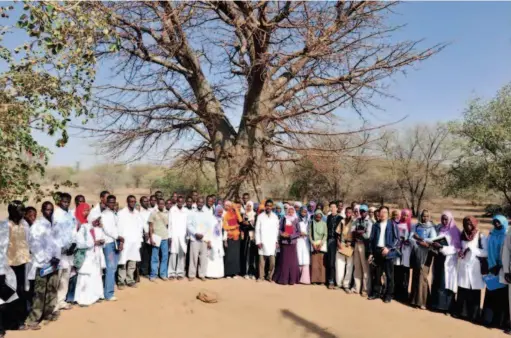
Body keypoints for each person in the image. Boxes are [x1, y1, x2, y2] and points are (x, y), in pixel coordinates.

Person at [24, 202, 61, 330]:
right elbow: (34, 246)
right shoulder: (37, 226)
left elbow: (57, 243)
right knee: (40, 292)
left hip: (54, 263)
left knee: (52, 289)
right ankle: (33, 319)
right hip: (42, 264)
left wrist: (57, 257)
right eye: (46, 210)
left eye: (51, 210)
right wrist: (48, 259)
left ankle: (48, 313)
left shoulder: (54, 224)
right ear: (42, 210)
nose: (49, 212)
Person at [1, 201, 30, 330]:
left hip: (22, 264)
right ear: (12, 211)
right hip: (9, 266)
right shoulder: (4, 226)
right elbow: (1, 249)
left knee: (21, 292)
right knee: (10, 294)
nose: (23, 213)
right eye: (20, 210)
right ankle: (12, 323)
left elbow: (28, 242)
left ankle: (20, 319)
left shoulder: (24, 224)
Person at [455, 216, 487, 323]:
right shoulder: (461, 234)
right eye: (466, 224)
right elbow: (458, 247)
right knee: (463, 290)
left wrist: (472, 249)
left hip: (475, 267)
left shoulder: (480, 235)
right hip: (464, 266)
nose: (468, 226)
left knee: (474, 291)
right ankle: (461, 313)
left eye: (470, 224)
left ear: (474, 224)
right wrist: (459, 252)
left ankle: (474, 315)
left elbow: (485, 252)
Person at [429, 211, 461, 314]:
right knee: (437, 280)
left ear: (450, 219)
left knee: (446, 282)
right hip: (438, 258)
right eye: (442, 219)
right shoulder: (439, 229)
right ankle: (436, 304)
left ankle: (447, 307)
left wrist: (442, 247)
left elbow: (457, 248)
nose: (444, 221)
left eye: (446, 219)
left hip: (449, 260)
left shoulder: (455, 231)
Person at [481, 215, 509, 329]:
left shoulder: (507, 235)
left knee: (501, 296)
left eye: (499, 222)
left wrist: (500, 266)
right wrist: (491, 265)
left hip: (503, 269)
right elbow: (488, 249)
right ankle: (488, 319)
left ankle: (499, 322)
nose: (497, 224)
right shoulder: (491, 234)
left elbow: (507, 252)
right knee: (491, 293)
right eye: (495, 222)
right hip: (491, 268)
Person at [74, 204, 105, 306]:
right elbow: (80, 243)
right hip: (86, 256)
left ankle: (95, 296)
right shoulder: (84, 228)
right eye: (96, 219)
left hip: (95, 256)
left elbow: (101, 240)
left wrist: (101, 242)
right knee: (85, 277)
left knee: (95, 276)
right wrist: (93, 243)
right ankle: (82, 299)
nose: (97, 221)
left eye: (98, 220)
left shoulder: (97, 229)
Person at [367, 206, 399, 303]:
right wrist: (371, 253)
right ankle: (376, 293)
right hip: (377, 251)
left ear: (388, 214)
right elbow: (371, 240)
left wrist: (389, 248)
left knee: (389, 275)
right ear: (379, 214)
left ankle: (388, 295)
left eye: (385, 212)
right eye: (381, 212)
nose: (383, 214)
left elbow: (397, 239)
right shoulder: (375, 225)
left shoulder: (392, 224)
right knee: (377, 274)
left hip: (387, 252)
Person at [53, 193, 77, 311]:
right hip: (59, 251)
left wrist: (73, 244)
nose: (66, 204)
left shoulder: (70, 214)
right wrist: (60, 247)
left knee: (66, 276)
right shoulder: (56, 214)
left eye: (68, 202)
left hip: (69, 250)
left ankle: (61, 300)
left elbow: (73, 229)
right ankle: (53, 303)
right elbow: (54, 233)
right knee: (57, 276)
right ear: (59, 202)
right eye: (64, 201)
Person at [409, 209, 437, 309]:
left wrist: (422, 240)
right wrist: (417, 242)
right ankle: (414, 300)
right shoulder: (416, 226)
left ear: (429, 217)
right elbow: (410, 237)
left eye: (427, 216)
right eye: (423, 216)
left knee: (423, 276)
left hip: (426, 254)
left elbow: (433, 240)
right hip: (416, 253)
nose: (425, 218)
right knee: (416, 275)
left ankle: (424, 302)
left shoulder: (432, 228)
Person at [117, 196, 144, 288]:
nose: (132, 203)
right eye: (131, 201)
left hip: (134, 241)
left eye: (134, 201)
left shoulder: (137, 213)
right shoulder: (121, 213)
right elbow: (119, 228)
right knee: (123, 262)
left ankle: (130, 280)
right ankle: (121, 281)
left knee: (132, 262)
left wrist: (139, 240)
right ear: (127, 202)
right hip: (125, 241)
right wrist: (120, 241)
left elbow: (140, 227)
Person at [101, 195, 123, 301]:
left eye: (113, 202)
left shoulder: (114, 214)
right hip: (109, 243)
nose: (112, 204)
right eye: (110, 202)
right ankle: (108, 294)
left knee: (113, 267)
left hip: (115, 242)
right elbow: (107, 229)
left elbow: (118, 227)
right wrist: (118, 237)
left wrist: (120, 240)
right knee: (110, 268)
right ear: (106, 203)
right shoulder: (104, 214)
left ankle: (109, 289)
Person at [187, 197, 214, 281]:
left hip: (204, 238)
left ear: (203, 203)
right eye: (199, 202)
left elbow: (209, 226)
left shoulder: (207, 213)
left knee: (203, 258)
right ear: (196, 202)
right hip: (194, 238)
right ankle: (192, 275)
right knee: (193, 257)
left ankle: (202, 274)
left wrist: (205, 236)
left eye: (202, 202)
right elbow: (189, 225)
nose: (200, 204)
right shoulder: (192, 212)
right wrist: (195, 233)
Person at [273, 207, 300, 285]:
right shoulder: (283, 218)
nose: (290, 213)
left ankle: (292, 280)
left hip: (292, 243)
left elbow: (298, 232)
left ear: (294, 212)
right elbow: (280, 229)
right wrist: (282, 234)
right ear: (287, 212)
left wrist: (291, 236)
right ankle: (283, 279)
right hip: (284, 243)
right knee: (284, 261)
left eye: (292, 212)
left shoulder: (296, 219)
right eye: (289, 211)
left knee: (292, 262)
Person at [255, 200, 279, 282]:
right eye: (267, 205)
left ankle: (270, 276)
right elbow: (257, 230)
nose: (269, 207)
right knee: (262, 261)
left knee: (272, 262)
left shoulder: (275, 216)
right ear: (265, 206)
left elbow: (276, 230)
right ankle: (261, 277)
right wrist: (258, 241)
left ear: (272, 207)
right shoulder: (260, 216)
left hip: (272, 241)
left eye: (270, 206)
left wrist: (276, 241)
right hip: (262, 241)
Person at [351, 204, 373, 296]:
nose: (362, 212)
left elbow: (368, 236)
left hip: (364, 246)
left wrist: (359, 232)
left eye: (364, 211)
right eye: (361, 211)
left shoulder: (370, 222)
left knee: (365, 268)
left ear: (367, 211)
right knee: (357, 266)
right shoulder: (357, 220)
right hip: (357, 244)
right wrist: (360, 231)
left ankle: (365, 290)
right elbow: (352, 230)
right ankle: (357, 288)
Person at [146, 198, 169, 281]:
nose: (162, 205)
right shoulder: (153, 213)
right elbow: (150, 226)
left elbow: (168, 225)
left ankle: (163, 274)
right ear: (157, 204)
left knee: (164, 257)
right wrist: (151, 238)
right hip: (156, 238)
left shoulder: (167, 213)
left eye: (163, 203)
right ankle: (153, 275)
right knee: (155, 257)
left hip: (165, 238)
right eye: (160, 203)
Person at [393, 209, 412, 302]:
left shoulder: (411, 226)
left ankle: (404, 295)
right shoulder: (397, 224)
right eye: (403, 215)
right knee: (397, 272)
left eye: (407, 215)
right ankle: (396, 292)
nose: (405, 217)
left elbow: (413, 239)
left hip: (406, 252)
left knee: (405, 273)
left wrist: (408, 240)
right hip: (397, 250)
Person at [168, 196, 188, 280]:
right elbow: (170, 224)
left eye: (182, 201)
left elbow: (187, 224)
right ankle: (171, 273)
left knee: (181, 254)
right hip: (174, 235)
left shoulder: (186, 211)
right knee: (173, 254)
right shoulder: (172, 210)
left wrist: (187, 236)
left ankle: (180, 273)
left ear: (183, 202)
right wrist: (169, 236)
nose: (180, 203)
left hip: (183, 235)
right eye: (179, 201)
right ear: (177, 202)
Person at [336, 206, 354, 292]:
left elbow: (357, 234)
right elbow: (338, 233)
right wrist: (338, 243)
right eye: (347, 212)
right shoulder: (342, 221)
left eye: (350, 212)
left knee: (349, 266)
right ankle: (339, 283)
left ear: (352, 213)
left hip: (350, 246)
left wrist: (351, 242)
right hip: (341, 245)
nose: (348, 214)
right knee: (340, 265)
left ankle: (346, 285)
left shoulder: (354, 222)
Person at [222, 201, 242, 278]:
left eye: (232, 207)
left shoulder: (236, 214)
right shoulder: (226, 215)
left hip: (236, 238)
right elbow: (225, 227)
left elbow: (240, 220)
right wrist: (233, 227)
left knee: (235, 256)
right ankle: (228, 273)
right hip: (229, 237)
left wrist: (236, 210)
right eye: (231, 207)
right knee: (229, 256)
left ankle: (234, 273)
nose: (232, 209)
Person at [206, 206, 225, 279]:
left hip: (219, 241)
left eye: (221, 212)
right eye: (219, 211)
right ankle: (210, 274)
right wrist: (208, 241)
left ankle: (218, 274)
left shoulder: (221, 219)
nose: (220, 213)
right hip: (212, 240)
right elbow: (208, 230)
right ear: (216, 211)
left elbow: (222, 230)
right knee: (211, 256)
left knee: (218, 256)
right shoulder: (211, 218)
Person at [326, 203, 342, 289]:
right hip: (328, 240)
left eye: (334, 207)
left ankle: (334, 280)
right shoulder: (328, 217)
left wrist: (339, 241)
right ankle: (329, 279)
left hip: (337, 241)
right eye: (331, 207)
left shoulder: (340, 218)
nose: (332, 208)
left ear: (337, 208)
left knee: (336, 262)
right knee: (329, 261)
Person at [309, 210, 327, 284]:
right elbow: (309, 234)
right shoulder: (311, 223)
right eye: (317, 216)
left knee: (322, 263)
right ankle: (314, 280)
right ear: (315, 216)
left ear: (322, 216)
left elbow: (325, 234)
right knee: (314, 264)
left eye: (320, 216)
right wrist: (313, 243)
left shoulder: (324, 224)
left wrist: (321, 244)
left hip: (321, 244)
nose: (318, 217)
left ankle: (322, 280)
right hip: (314, 244)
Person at [241, 201, 257, 279]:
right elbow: (242, 225)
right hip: (245, 237)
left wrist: (249, 224)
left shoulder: (254, 215)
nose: (248, 207)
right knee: (245, 253)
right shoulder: (244, 214)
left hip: (252, 237)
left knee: (252, 255)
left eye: (250, 206)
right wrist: (244, 224)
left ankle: (252, 272)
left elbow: (255, 226)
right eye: (247, 206)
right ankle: (245, 272)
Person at [138, 196, 152, 278]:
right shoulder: (139, 212)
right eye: (144, 201)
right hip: (141, 235)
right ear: (141, 202)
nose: (146, 202)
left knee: (147, 254)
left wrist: (149, 233)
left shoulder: (150, 211)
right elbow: (141, 223)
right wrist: (145, 232)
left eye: (147, 201)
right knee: (140, 253)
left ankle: (145, 271)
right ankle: (138, 271)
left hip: (149, 235)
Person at [297, 206, 311, 285]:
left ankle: (305, 279)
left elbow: (310, 230)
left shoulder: (309, 221)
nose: (303, 213)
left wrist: (306, 234)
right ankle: (297, 277)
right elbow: (294, 229)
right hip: (298, 240)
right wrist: (299, 233)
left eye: (305, 212)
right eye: (302, 211)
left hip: (306, 241)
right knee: (298, 257)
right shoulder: (296, 219)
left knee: (305, 258)